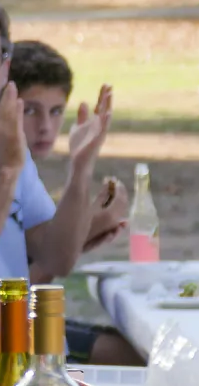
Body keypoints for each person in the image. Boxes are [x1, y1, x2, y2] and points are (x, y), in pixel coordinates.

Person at [0, 0, 142, 365]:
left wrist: (80, 169)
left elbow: (57, 255)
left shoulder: (5, 137)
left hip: (26, 345)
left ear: (4, 67)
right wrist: (7, 170)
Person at [9, 39, 128, 251]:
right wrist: (88, 230)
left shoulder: (26, 172)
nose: (45, 126)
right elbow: (37, 266)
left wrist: (82, 236)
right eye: (30, 110)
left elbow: (43, 259)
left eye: (56, 111)